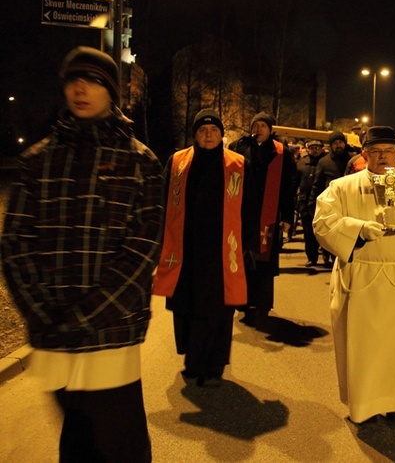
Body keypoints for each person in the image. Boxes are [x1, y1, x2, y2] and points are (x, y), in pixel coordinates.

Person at [0, 46, 163, 461]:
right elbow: (16, 244)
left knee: (121, 444)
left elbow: (142, 251)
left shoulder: (139, 161)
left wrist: (84, 318)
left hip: (111, 334)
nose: (80, 89)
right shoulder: (37, 160)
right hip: (53, 331)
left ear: (111, 90)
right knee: (75, 441)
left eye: (91, 81)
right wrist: (44, 313)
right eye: (73, 80)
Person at [313, 126, 395, 424]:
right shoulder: (343, 187)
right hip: (360, 274)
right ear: (364, 154)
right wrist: (357, 229)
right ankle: (364, 405)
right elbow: (323, 221)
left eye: (387, 151)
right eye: (375, 152)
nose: (382, 157)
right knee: (362, 349)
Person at [153, 109, 258, 386]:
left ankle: (213, 366)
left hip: (223, 252)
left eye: (213, 130)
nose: (208, 135)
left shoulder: (238, 164)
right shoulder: (177, 162)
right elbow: (162, 202)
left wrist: (249, 245)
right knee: (188, 308)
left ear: (222, 135)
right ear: (195, 135)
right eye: (202, 130)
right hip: (185, 251)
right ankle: (193, 361)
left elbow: (250, 207)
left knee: (218, 311)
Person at [229, 112, 296, 326]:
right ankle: (243, 301)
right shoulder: (238, 148)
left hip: (269, 214)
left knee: (264, 260)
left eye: (263, 126)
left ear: (270, 129)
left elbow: (288, 186)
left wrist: (287, 215)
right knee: (242, 257)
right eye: (255, 125)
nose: (258, 129)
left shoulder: (280, 152)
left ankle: (263, 304)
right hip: (242, 213)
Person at [309, 130, 358, 266]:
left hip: (349, 202)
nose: (338, 145)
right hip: (331, 203)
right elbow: (317, 185)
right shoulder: (324, 162)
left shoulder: (352, 160)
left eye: (341, 142)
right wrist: (312, 205)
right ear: (330, 145)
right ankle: (327, 254)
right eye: (335, 143)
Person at [294, 138, 326, 266]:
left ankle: (326, 255)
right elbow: (295, 181)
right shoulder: (302, 163)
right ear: (308, 149)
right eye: (312, 147)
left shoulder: (325, 162)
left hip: (323, 202)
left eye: (318, 148)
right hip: (305, 202)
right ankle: (311, 257)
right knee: (308, 232)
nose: (315, 150)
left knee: (324, 231)